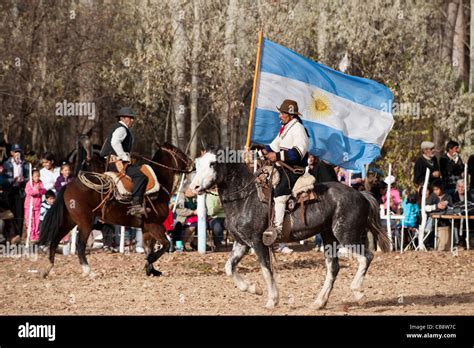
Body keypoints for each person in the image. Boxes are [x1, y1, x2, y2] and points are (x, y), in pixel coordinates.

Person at [259, 99, 309, 246]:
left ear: (290, 115)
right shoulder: (285, 129)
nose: (279, 116)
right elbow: (272, 146)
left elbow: (299, 152)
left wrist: (278, 156)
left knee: (280, 191)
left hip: (294, 171)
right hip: (282, 168)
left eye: (282, 113)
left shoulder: (299, 129)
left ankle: (278, 230)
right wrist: (257, 153)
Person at [100, 107, 148, 217]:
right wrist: (124, 157)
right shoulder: (122, 129)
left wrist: (130, 154)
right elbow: (115, 142)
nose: (132, 120)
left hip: (110, 161)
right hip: (115, 162)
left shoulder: (117, 127)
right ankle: (136, 205)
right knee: (141, 176)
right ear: (123, 118)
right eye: (130, 118)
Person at [2, 144, 29, 237]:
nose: (18, 154)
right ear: (11, 153)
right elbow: (2, 179)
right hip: (9, 191)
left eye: (19, 152)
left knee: (19, 213)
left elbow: (28, 177)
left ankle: (18, 235)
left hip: (20, 191)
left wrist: (23, 180)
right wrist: (12, 180)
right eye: (16, 152)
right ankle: (8, 235)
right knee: (9, 213)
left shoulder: (24, 164)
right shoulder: (6, 164)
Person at [24, 168, 46, 242]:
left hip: (37, 206)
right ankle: (31, 235)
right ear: (32, 177)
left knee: (37, 222)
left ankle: (36, 235)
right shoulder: (29, 183)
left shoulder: (40, 182)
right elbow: (28, 192)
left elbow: (43, 190)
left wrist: (39, 190)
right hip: (29, 206)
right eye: (35, 176)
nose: (37, 178)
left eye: (38, 176)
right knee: (30, 220)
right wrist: (36, 190)